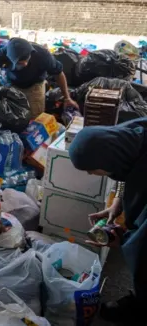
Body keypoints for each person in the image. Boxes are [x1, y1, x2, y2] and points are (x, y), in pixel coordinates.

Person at [68, 119, 147, 324]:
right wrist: (117, 205)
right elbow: (124, 175)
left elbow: (143, 244)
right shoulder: (130, 139)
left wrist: (122, 242)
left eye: (92, 169)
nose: (90, 174)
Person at [0, 38, 78, 118]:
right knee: (8, 117)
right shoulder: (2, 54)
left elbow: (59, 73)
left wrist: (67, 98)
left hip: (35, 86)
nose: (25, 64)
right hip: (11, 85)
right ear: (10, 59)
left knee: (35, 120)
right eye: (20, 62)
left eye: (26, 60)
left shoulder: (42, 55)